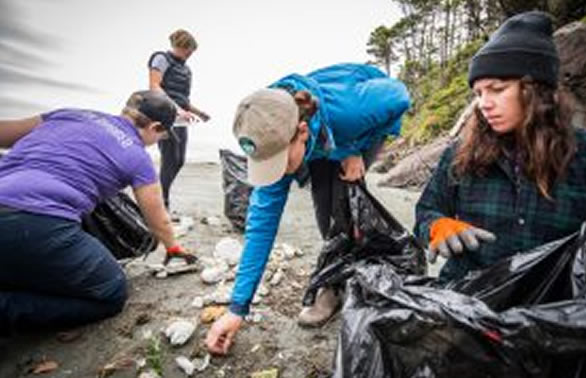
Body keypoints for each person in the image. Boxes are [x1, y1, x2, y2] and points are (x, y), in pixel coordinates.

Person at [206, 63, 410, 354]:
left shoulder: (352, 112)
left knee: (342, 197)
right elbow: (261, 226)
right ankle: (334, 280)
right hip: (320, 135)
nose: (275, 174)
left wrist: (353, 147)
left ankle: (353, 279)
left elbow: (400, 96)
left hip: (356, 126)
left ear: (302, 132)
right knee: (323, 205)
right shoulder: (267, 126)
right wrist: (237, 308)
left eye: (279, 162)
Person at [414, 10, 586, 283]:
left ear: (535, 89)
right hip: (466, 300)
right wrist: (436, 226)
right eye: (478, 93)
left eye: (497, 89)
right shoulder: (459, 154)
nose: (484, 104)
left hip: (558, 310)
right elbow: (426, 211)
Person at [0, 90, 196, 335]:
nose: (158, 142)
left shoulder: (70, 114)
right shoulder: (137, 157)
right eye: (162, 136)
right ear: (155, 127)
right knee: (110, 292)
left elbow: (4, 133)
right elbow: (158, 221)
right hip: (37, 222)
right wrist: (173, 247)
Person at [148, 29, 210, 210]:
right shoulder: (161, 59)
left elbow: (183, 99)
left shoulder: (186, 69)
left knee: (179, 160)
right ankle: (161, 202)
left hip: (180, 117)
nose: (190, 54)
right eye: (189, 50)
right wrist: (176, 110)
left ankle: (160, 195)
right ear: (181, 46)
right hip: (164, 114)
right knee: (169, 158)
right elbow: (154, 86)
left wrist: (198, 112)